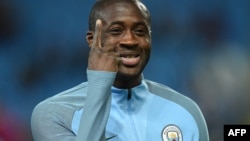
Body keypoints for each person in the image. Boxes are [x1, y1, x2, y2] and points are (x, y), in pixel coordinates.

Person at [31, 0, 209, 140]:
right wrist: (99, 80)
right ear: (92, 40)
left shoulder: (186, 111)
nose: (130, 41)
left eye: (140, 32)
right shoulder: (54, 114)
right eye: (116, 31)